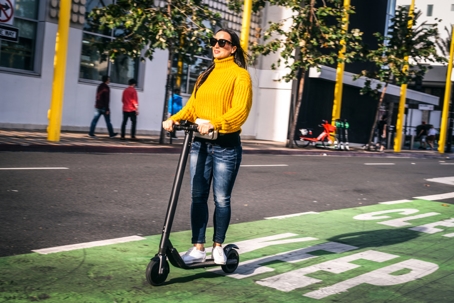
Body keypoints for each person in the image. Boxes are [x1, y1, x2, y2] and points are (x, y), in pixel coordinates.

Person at [162, 28, 252, 265]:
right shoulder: (205, 75)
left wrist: (217, 123)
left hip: (226, 146)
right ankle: (198, 247)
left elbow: (240, 111)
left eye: (222, 42)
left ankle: (218, 246)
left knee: (221, 199)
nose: (217, 45)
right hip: (200, 144)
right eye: (214, 41)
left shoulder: (240, 75)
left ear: (233, 48)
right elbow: (192, 107)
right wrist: (175, 118)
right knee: (198, 196)